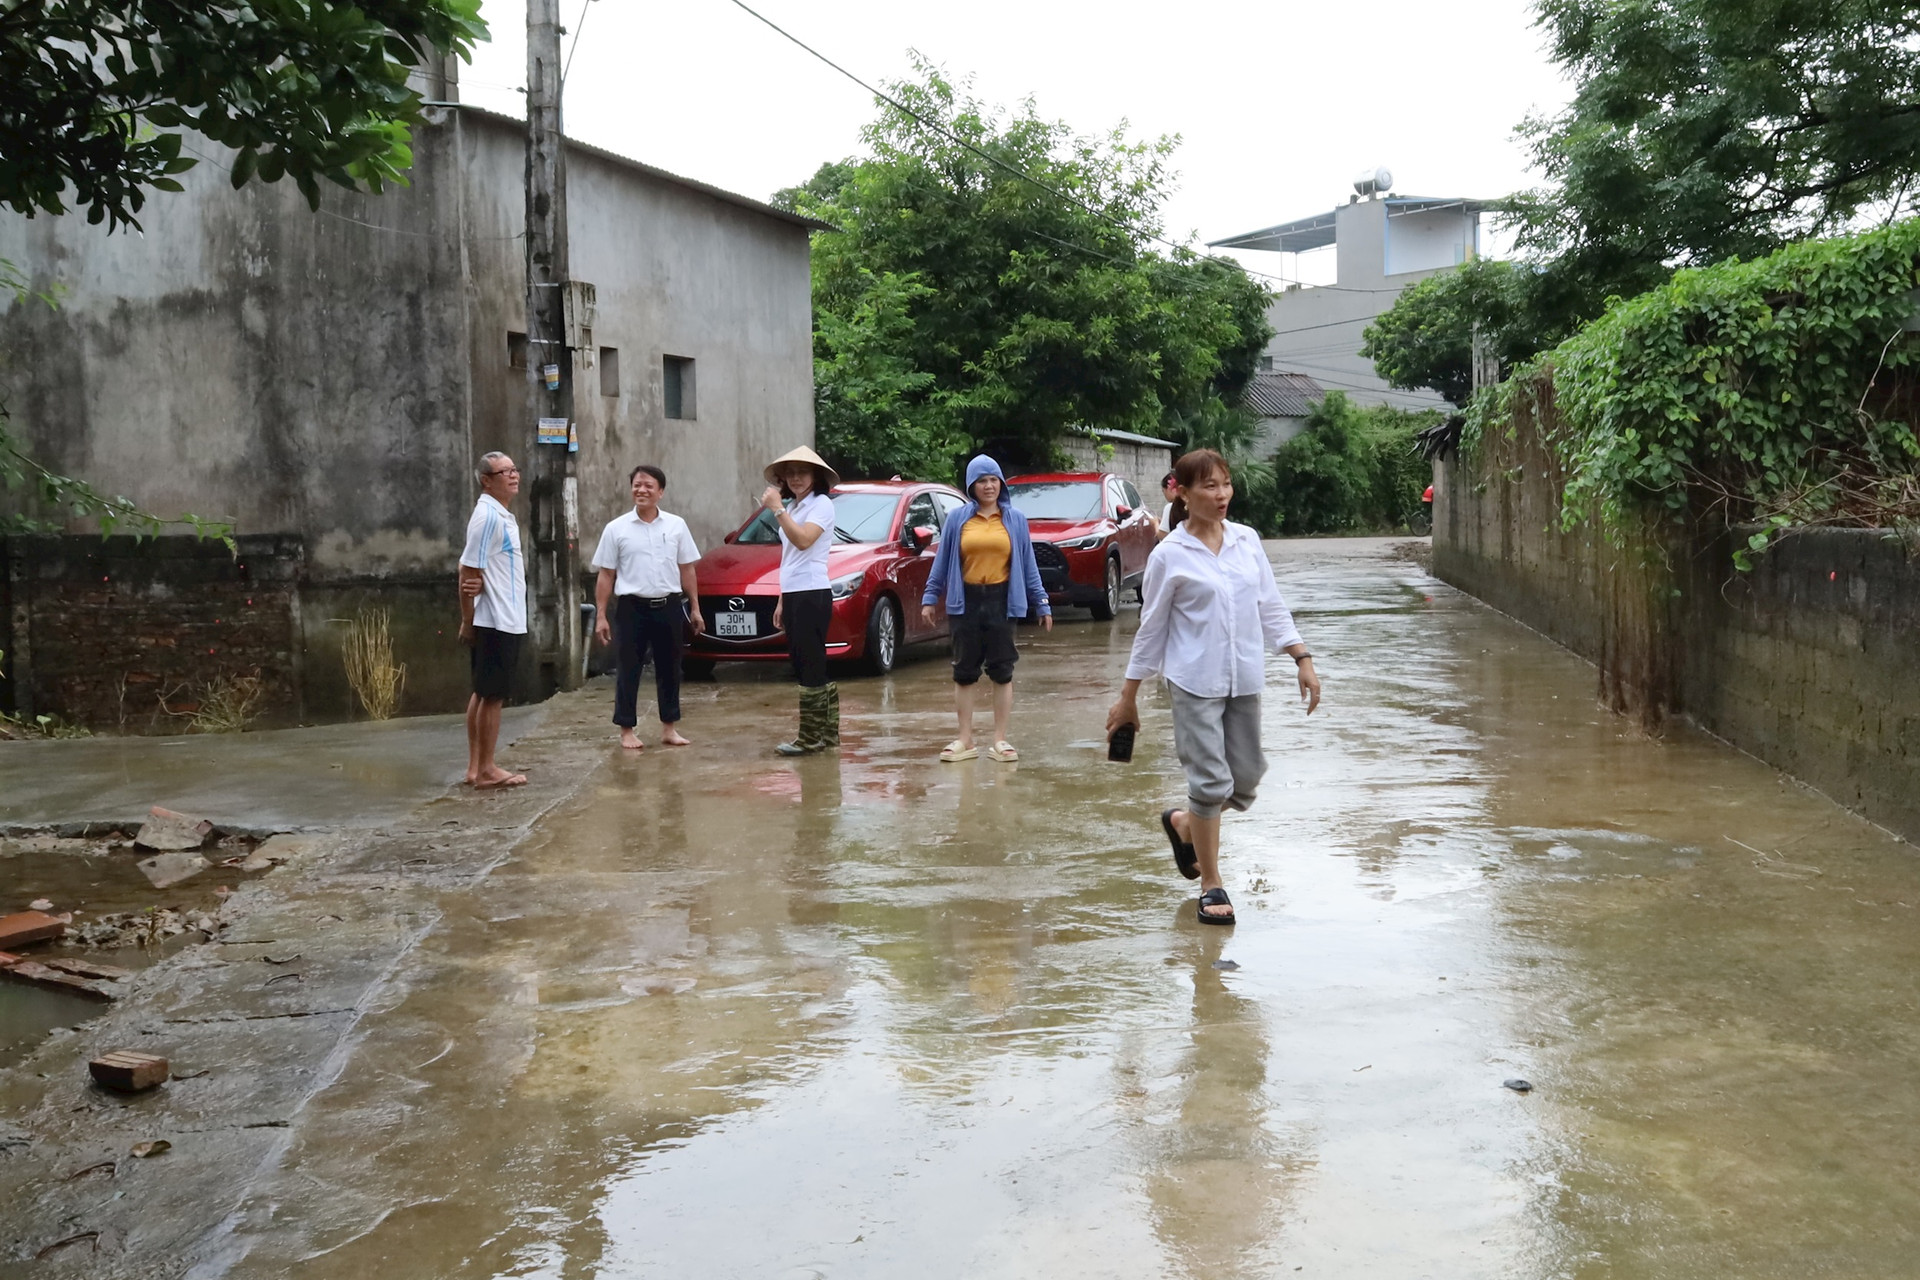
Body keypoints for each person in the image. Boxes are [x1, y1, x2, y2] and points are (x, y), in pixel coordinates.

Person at [1105, 448, 1321, 925]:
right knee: (1209, 782)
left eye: (1225, 484)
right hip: (1193, 682)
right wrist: (1129, 697)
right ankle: (1211, 883)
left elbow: (1270, 605)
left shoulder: (1247, 541)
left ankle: (1184, 823)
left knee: (1244, 779)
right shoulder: (1170, 555)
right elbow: (1152, 628)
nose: (1221, 494)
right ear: (1182, 493)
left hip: (1244, 678)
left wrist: (1301, 658)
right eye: (1209, 486)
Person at [919, 455, 1053, 762]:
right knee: (964, 670)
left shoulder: (1015, 519)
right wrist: (930, 597)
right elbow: (942, 562)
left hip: (1002, 601)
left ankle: (1000, 740)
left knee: (1002, 671)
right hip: (965, 600)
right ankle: (964, 740)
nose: (988, 486)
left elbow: (1029, 565)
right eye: (982, 481)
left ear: (1001, 484)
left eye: (994, 480)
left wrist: (1041, 602)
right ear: (971, 486)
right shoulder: (957, 519)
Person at [591, 464, 706, 751]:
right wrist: (601, 615)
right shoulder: (616, 529)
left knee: (670, 667)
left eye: (648, 486)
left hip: (668, 605)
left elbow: (687, 568)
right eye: (637, 485)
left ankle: (669, 727)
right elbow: (606, 574)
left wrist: (695, 607)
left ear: (661, 492)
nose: (641, 490)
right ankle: (627, 730)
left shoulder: (676, 525)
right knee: (628, 668)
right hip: (632, 608)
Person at [761, 445, 840, 755]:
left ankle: (810, 737)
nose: (795, 478)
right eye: (790, 473)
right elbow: (788, 556)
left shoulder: (821, 505)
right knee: (806, 661)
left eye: (802, 472)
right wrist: (782, 599)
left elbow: (804, 541)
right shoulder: (794, 507)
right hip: (794, 592)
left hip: (812, 591)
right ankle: (827, 733)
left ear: (815, 476)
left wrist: (777, 509)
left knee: (810, 663)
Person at [459, 451, 529, 789]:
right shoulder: (488, 517)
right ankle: (487, 768)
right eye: (505, 471)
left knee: (482, 692)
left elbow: (479, 570)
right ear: (487, 480)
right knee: (492, 696)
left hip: (503, 615)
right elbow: (467, 569)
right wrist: (466, 619)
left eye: (515, 469)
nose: (514, 476)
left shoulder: (499, 515)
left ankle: (476, 767)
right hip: (497, 618)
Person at [1152, 468, 1181, 542]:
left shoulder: (1170, 507)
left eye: (1163, 491)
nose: (1164, 494)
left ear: (1169, 488)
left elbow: (1162, 534)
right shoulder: (1193, 506)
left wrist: (1155, 523)